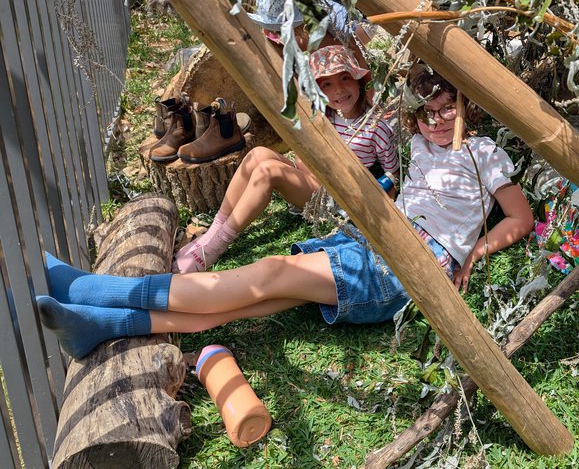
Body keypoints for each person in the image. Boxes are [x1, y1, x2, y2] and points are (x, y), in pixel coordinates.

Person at [36, 68, 535, 360]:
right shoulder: (420, 146)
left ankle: (93, 290)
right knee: (244, 304)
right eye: (428, 113)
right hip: (377, 242)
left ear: (466, 106)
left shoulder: (484, 152)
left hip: (417, 263)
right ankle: (101, 327)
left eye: (449, 109)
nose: (439, 121)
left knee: (271, 272)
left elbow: (520, 218)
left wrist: (476, 251)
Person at [171, 44, 399, 273]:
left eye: (345, 78)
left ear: (358, 80)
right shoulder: (325, 115)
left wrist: (379, 219)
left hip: (337, 201)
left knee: (268, 171)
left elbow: (393, 174)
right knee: (257, 155)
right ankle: (213, 231)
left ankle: (215, 247)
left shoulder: (375, 126)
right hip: (314, 182)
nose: (338, 90)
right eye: (327, 84)